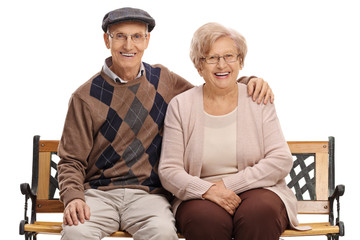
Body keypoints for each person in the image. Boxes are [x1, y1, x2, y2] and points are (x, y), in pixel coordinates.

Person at [57, 7, 274, 240]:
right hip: (98, 195)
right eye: (119, 36)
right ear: (106, 40)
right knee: (75, 233)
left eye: (137, 36)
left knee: (162, 233)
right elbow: (71, 160)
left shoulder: (162, 80)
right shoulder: (85, 96)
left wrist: (246, 81)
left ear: (146, 40)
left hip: (149, 196)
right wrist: (74, 197)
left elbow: (210, 91)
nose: (129, 45)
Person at [159, 22, 311, 240]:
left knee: (260, 213)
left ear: (240, 61)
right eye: (211, 58)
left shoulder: (258, 100)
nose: (222, 65)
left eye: (229, 56)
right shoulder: (181, 105)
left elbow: (280, 159)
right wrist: (207, 190)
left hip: (259, 189)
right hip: (201, 194)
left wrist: (227, 185)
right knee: (204, 220)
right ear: (199, 66)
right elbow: (169, 170)